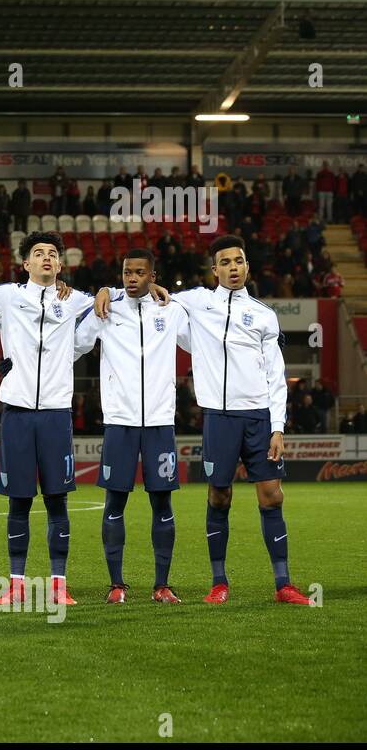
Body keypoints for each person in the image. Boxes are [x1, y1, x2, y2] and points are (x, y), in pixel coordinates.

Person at [99, 235, 310, 604]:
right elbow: (141, 288)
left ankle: (283, 584)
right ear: (215, 270)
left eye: (239, 261)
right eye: (225, 262)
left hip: (259, 416)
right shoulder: (195, 302)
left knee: (272, 496)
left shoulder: (263, 314)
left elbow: (276, 374)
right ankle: (219, 583)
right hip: (217, 417)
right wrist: (106, 288)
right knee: (219, 495)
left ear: (247, 266)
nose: (233, 268)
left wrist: (278, 425)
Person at [0, 232, 162, 605]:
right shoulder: (7, 296)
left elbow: (123, 291)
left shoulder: (75, 300)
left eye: (52, 254)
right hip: (17, 412)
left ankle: (57, 586)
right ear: (26, 264)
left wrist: (103, 290)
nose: (46, 258)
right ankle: (16, 585)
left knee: (56, 502)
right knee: (18, 502)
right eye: (38, 253)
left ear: (61, 265)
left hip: (55, 414)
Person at [74, 249, 191, 605]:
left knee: (162, 504)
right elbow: (77, 344)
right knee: (115, 503)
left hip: (159, 423)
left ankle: (162, 585)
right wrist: (101, 294)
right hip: (120, 423)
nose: (132, 278)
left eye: (140, 272)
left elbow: (199, 337)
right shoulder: (107, 308)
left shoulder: (169, 311)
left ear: (152, 276)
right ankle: (116, 585)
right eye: (126, 272)